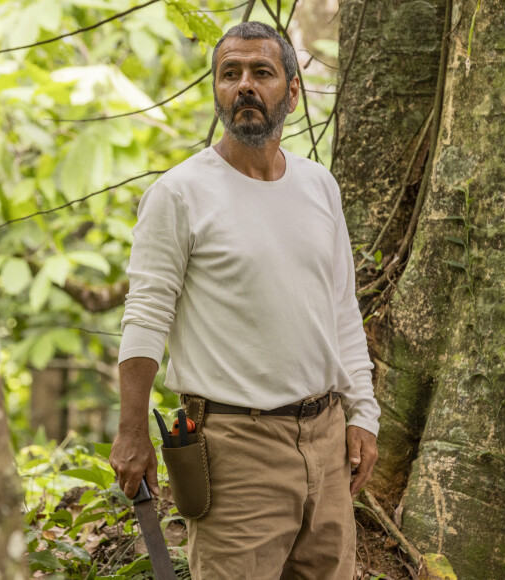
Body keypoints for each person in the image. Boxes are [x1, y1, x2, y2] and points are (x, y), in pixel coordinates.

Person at [110, 21, 380, 580]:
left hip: (326, 440)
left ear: (292, 89)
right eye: (229, 74)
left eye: (262, 72)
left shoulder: (318, 186)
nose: (244, 86)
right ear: (217, 89)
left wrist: (365, 415)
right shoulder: (179, 194)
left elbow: (341, 311)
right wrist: (132, 430)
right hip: (234, 448)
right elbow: (146, 317)